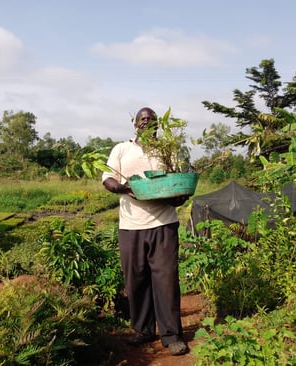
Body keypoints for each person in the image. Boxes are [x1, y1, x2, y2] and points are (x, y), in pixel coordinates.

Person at [102, 107, 188, 356]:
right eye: (143, 119)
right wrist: (122, 187)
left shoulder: (168, 151)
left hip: (163, 223)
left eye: (151, 120)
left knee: (166, 280)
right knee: (136, 279)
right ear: (135, 124)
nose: (147, 122)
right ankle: (143, 330)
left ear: (158, 126)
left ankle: (172, 335)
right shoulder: (122, 149)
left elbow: (176, 183)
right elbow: (107, 178)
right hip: (131, 225)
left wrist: (178, 198)